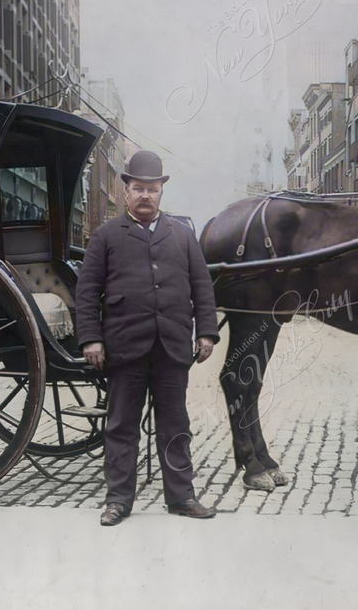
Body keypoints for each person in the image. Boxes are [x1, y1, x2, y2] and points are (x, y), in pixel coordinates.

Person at [76, 150, 222, 526]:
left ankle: (182, 497)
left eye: (152, 189)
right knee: (121, 425)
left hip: (172, 347)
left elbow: (202, 287)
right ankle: (118, 501)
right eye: (138, 188)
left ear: (161, 192)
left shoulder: (183, 235)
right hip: (125, 348)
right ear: (126, 191)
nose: (145, 195)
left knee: (176, 425)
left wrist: (206, 332)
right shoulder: (107, 236)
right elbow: (87, 291)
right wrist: (92, 339)